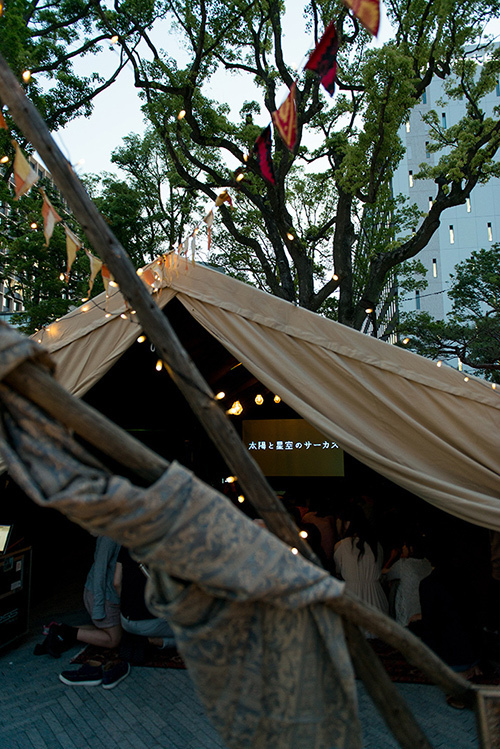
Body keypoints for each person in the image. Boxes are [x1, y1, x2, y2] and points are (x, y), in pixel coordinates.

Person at [35, 535, 130, 688]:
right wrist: (99, 608)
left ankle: (59, 629)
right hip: (102, 596)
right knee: (113, 640)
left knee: (115, 631)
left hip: (107, 595)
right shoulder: (110, 534)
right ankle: (64, 632)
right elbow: (100, 568)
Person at [114, 546, 176, 663]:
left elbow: (116, 583)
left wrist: (128, 603)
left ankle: (136, 638)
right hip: (151, 622)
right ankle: (151, 641)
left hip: (126, 620)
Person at [333, 503, 389, 621]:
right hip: (376, 598)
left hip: (352, 596)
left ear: (346, 523)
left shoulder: (342, 546)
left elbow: (338, 571)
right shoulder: (376, 545)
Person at [383, 536, 432, 631]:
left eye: (405, 546)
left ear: (411, 548)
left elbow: (387, 575)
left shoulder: (404, 564)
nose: (402, 548)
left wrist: (392, 558)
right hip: (422, 612)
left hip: (406, 614)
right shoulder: (427, 564)